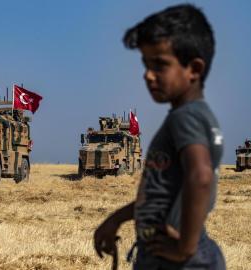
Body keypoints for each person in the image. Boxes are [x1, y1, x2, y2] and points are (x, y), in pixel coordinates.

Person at [94, 4, 226, 270]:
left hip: (174, 259)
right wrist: (117, 218)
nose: (148, 74)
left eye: (160, 65)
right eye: (146, 64)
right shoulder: (194, 116)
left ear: (194, 69)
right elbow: (162, 194)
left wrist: (184, 249)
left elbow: (201, 177)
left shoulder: (185, 118)